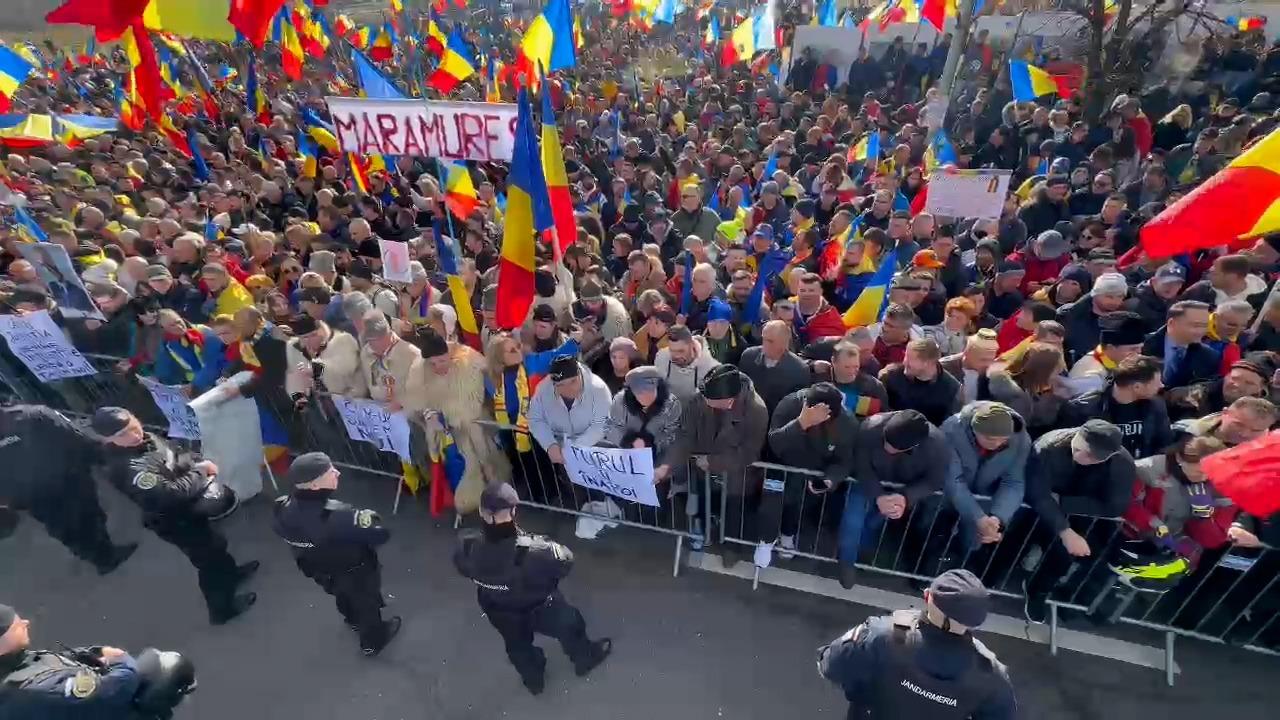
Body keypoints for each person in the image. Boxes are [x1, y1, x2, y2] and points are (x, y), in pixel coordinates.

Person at [93, 407, 258, 625]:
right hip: (173, 520)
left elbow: (176, 455)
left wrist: (194, 462)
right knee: (207, 560)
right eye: (122, 434)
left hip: (191, 508)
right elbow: (171, 494)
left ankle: (231, 575)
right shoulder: (126, 468)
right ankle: (221, 609)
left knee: (216, 546)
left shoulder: (147, 438)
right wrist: (200, 472)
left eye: (133, 426)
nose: (134, 435)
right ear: (108, 440)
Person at [453, 483, 612, 695]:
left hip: (497, 607)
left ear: (481, 511)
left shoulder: (467, 544)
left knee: (517, 646)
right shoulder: (536, 549)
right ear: (513, 510)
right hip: (540, 606)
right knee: (571, 624)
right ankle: (585, 658)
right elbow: (566, 562)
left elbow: (464, 568)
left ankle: (533, 679)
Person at [817, 570, 1016, 720]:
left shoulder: (883, 634)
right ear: (975, 622)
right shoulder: (990, 673)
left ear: (927, 596)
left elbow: (830, 665)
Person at [272, 452, 403, 656]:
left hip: (317, 568)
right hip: (353, 569)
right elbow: (380, 535)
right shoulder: (339, 517)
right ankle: (373, 641)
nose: (337, 472)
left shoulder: (282, 506)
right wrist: (371, 520)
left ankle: (352, 620)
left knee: (341, 595)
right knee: (366, 603)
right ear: (315, 485)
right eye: (329, 471)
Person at [0, 403, 136, 574]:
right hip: (65, 480)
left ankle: (93, 554)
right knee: (87, 516)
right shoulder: (32, 415)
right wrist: (100, 456)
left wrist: (9, 500)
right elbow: (74, 435)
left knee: (60, 524)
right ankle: (103, 556)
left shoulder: (32, 415)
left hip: (30, 496)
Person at [1023, 421, 1136, 623]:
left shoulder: (1122, 464)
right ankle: (1025, 587)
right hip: (1040, 508)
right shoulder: (1048, 447)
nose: (1080, 457)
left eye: (1092, 457)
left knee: (1083, 556)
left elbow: (1115, 506)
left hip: (1082, 512)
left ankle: (1050, 592)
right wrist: (1065, 531)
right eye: (1078, 449)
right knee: (1051, 546)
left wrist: (1065, 502)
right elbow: (1037, 493)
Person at [664, 365, 769, 567]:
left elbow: (749, 452)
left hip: (737, 475)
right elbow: (685, 434)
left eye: (710, 401)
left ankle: (731, 548)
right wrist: (668, 464)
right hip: (702, 469)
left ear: (729, 400)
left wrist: (713, 462)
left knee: (733, 512)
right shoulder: (703, 396)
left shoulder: (756, 410)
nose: (704, 403)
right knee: (704, 500)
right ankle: (702, 530)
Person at [841, 410, 948, 589]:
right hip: (868, 482)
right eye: (886, 442)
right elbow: (861, 464)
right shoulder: (870, 427)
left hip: (900, 491)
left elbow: (934, 480)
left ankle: (862, 550)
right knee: (852, 521)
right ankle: (847, 562)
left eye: (895, 448)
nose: (887, 449)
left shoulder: (937, 445)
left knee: (874, 523)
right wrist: (878, 494)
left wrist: (906, 497)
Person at [762, 382, 859, 563]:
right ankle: (767, 540)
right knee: (773, 504)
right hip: (783, 465)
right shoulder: (790, 405)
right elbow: (774, 442)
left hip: (815, 471)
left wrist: (830, 479)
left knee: (803, 507)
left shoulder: (846, 423)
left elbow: (844, 461)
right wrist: (800, 423)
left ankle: (789, 536)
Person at [0, 604, 149, 717]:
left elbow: (50, 660)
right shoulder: (31, 689)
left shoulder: (15, 661)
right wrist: (122, 662)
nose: (26, 622)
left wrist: (96, 653)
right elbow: (115, 690)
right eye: (16, 626)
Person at [940, 402, 1030, 564]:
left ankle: (963, 566)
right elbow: (953, 478)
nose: (996, 444)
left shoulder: (1021, 439)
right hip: (946, 495)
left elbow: (1014, 481)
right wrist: (979, 517)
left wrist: (997, 517)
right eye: (989, 438)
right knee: (933, 528)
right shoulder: (952, 429)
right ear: (974, 430)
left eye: (1003, 440)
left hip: (985, 498)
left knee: (974, 539)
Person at [1059, 355, 1173, 459]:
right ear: (1137, 387)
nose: (1161, 385)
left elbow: (1164, 445)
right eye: (1157, 382)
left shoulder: (1156, 406)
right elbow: (1069, 451)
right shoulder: (1084, 409)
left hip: (1142, 471)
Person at [879, 338, 962, 427]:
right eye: (905, 356)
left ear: (927, 363)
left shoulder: (951, 389)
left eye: (910, 359)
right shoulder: (891, 376)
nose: (904, 361)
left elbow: (949, 425)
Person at [1141, 300, 1219, 391]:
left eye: (1205, 326)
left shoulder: (1209, 356)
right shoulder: (1141, 345)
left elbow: (1204, 388)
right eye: (1196, 325)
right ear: (1171, 323)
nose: (1201, 331)